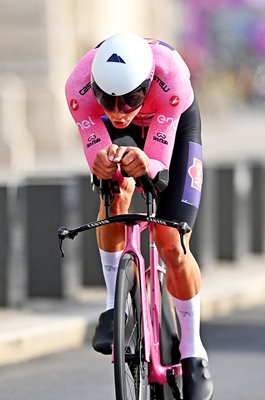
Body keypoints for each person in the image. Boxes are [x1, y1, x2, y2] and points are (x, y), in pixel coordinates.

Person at [65, 33, 213, 400]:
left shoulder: (172, 75)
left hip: (172, 126)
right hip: (119, 137)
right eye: (108, 99)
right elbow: (98, 151)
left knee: (171, 242)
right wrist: (104, 164)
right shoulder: (78, 87)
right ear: (94, 88)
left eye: (130, 98)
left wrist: (150, 164)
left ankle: (193, 349)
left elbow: (159, 167)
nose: (118, 109)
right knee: (114, 191)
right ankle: (113, 307)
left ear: (145, 85)